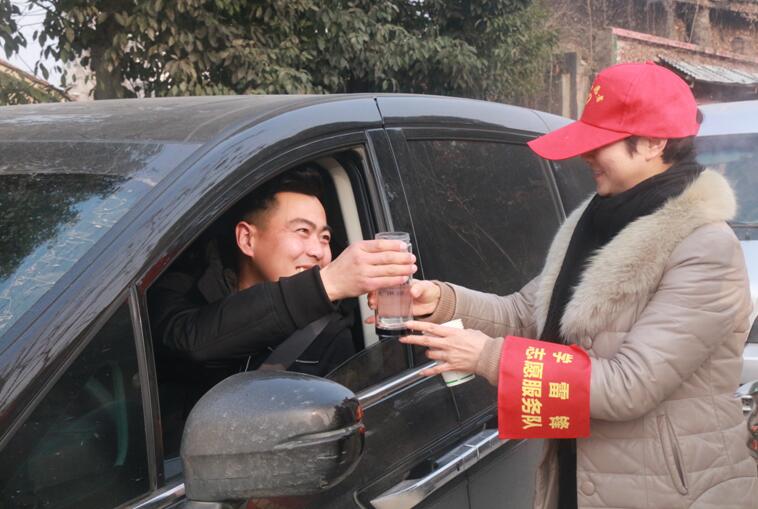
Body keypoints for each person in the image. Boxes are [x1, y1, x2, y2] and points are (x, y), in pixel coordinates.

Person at [398, 63, 758, 508]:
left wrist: (488, 356)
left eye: (600, 142)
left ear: (654, 142)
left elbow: (630, 385)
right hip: (579, 470)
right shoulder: (596, 220)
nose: (586, 155)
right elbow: (525, 313)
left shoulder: (705, 248)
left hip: (669, 491)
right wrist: (440, 300)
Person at [150, 165, 416, 452]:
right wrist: (325, 284)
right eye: (303, 231)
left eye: (325, 238)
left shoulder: (329, 334)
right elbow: (191, 341)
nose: (318, 251)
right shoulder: (184, 287)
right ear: (247, 239)